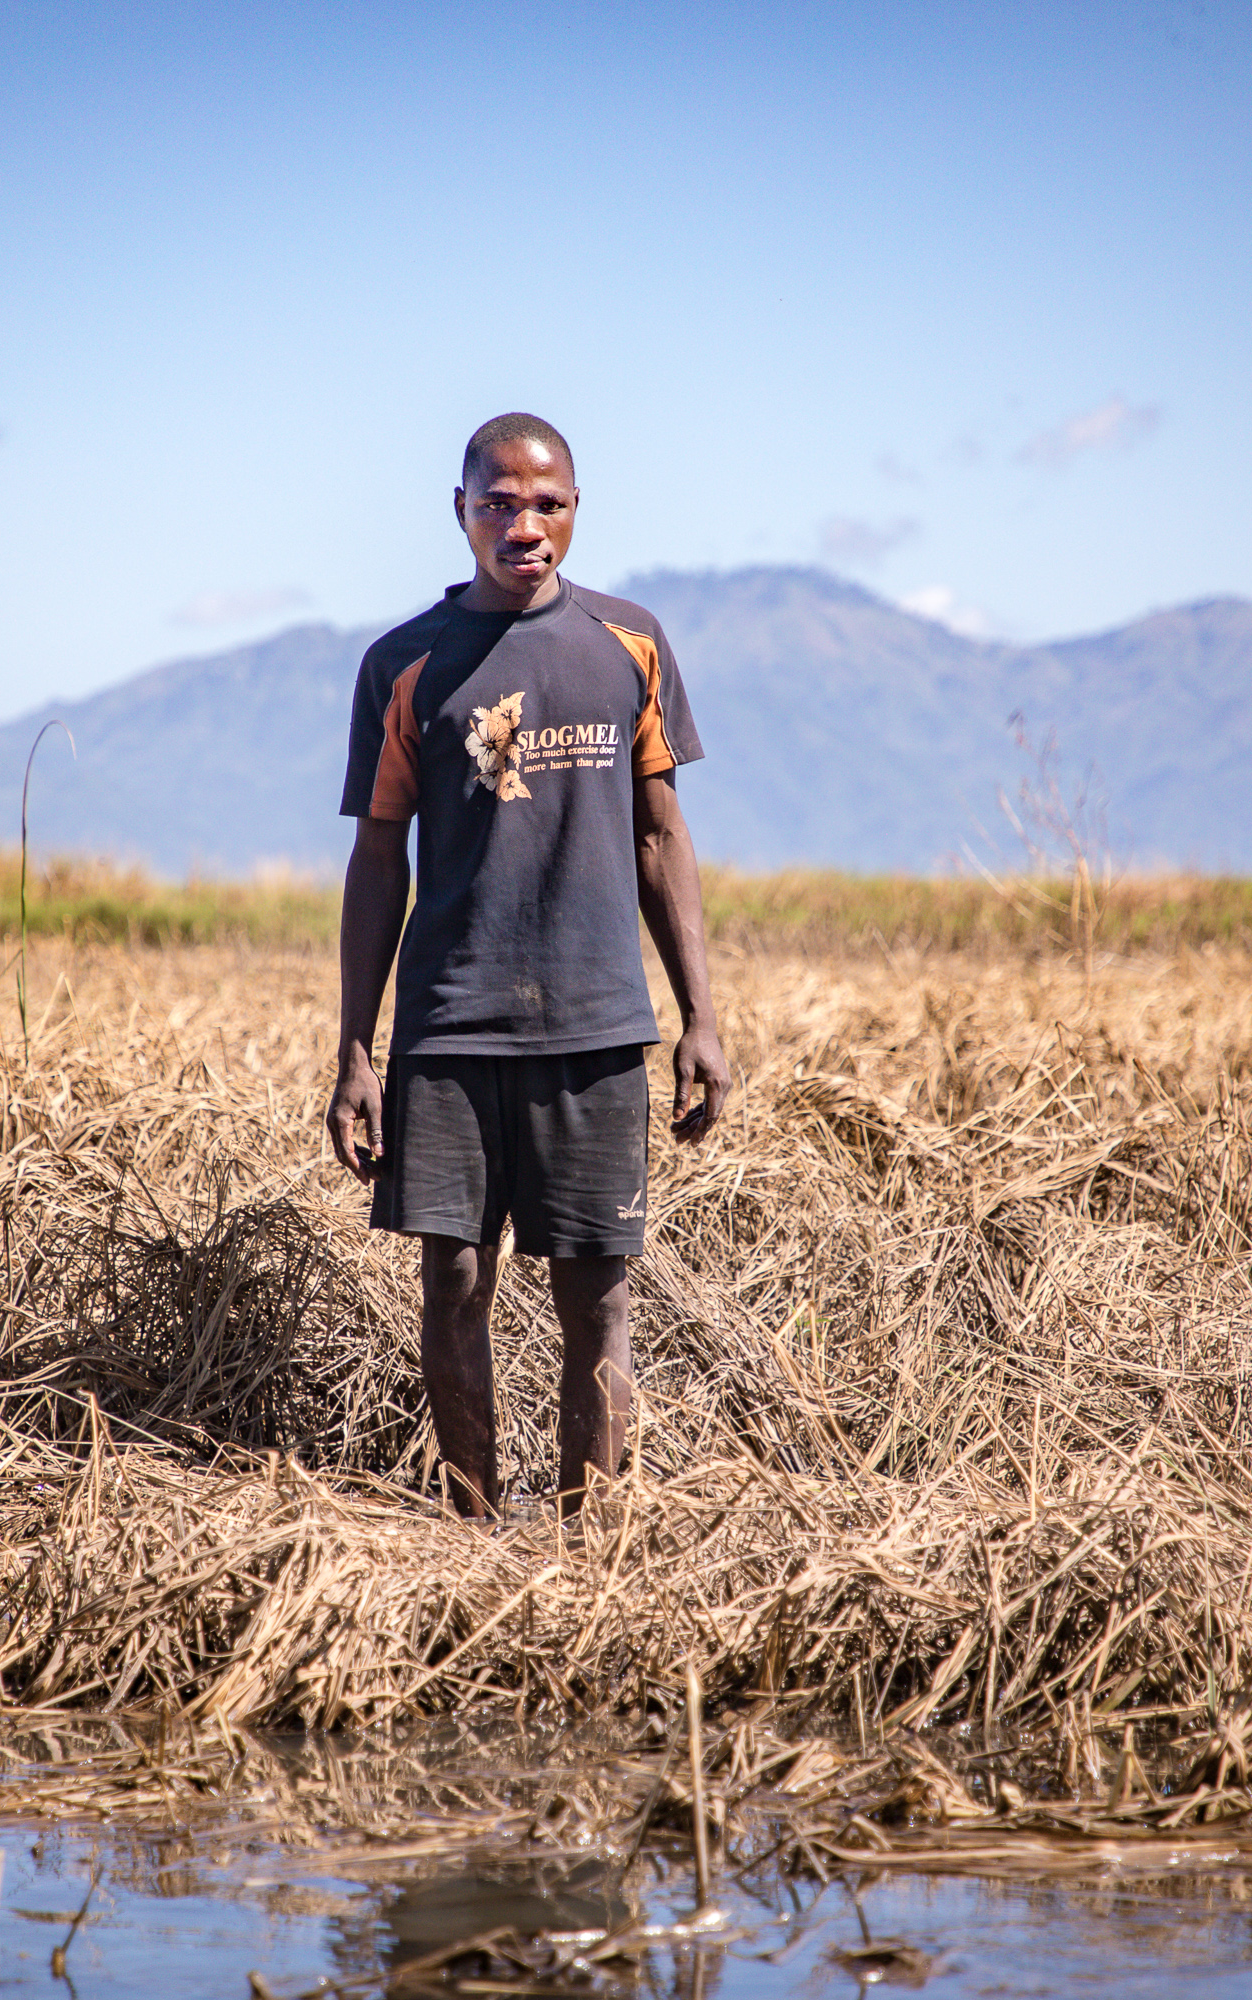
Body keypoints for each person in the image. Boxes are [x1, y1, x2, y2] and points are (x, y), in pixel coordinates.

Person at [325, 411, 731, 1519]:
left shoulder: (629, 643)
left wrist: (700, 1015)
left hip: (598, 1028)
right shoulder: (403, 663)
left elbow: (660, 835)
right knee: (452, 1282)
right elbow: (377, 858)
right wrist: (358, 1047)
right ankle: (471, 1525)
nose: (523, 524)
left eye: (545, 503)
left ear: (575, 510)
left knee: (596, 1295)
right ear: (460, 510)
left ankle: (591, 1539)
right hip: (450, 1031)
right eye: (498, 502)